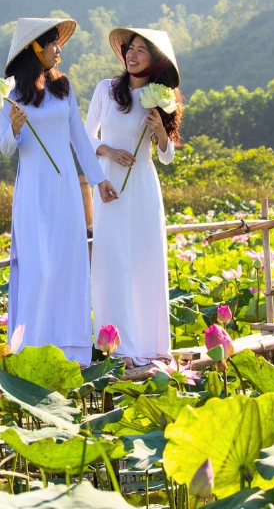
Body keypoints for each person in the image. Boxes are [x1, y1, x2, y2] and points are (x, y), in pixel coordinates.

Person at [0, 17, 119, 365]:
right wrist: (14, 128)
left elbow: (78, 136)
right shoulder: (9, 97)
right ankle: (31, 351)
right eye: (52, 43)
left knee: (68, 265)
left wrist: (98, 179)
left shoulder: (62, 87)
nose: (58, 50)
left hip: (65, 189)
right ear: (33, 49)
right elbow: (6, 147)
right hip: (33, 191)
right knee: (40, 269)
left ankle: (72, 350)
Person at [86, 27, 183, 365]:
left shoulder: (159, 100)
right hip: (109, 186)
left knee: (144, 262)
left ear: (154, 60)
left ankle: (148, 345)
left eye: (141, 50)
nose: (132, 54)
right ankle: (117, 346)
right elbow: (84, 137)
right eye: (130, 48)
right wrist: (108, 153)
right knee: (111, 262)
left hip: (142, 188)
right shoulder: (106, 90)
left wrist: (160, 132)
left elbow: (167, 157)